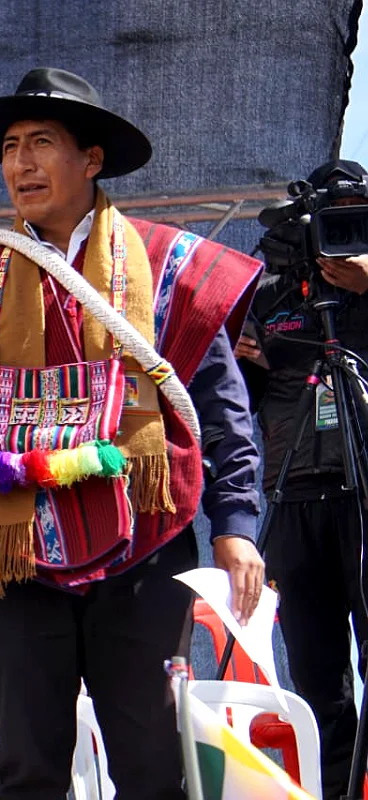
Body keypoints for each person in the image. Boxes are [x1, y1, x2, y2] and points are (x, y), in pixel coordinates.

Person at [0, 68, 264, 798]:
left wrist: (239, 523)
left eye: (41, 143)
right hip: (15, 555)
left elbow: (219, 408)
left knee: (152, 762)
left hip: (145, 546)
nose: (21, 164)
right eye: (9, 147)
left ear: (91, 160)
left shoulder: (166, 268)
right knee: (27, 766)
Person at [235, 159, 368, 799]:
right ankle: (339, 789)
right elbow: (234, 403)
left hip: (366, 497)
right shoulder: (273, 298)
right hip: (293, 500)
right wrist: (238, 361)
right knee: (317, 680)